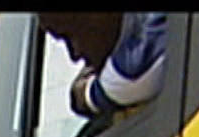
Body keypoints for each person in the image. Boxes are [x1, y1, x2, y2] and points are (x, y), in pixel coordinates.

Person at [39, 12, 168, 120]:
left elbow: (122, 83)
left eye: (70, 37)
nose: (75, 55)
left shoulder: (130, 70)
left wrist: (85, 93)